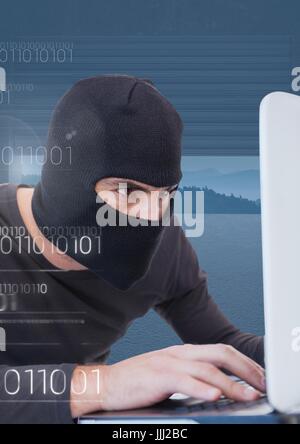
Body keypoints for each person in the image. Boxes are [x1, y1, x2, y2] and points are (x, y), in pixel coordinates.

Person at [0, 75, 265, 424]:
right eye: (128, 190)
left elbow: (224, 345)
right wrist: (104, 384)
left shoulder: (165, 247)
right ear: (69, 176)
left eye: (165, 194)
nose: (151, 217)